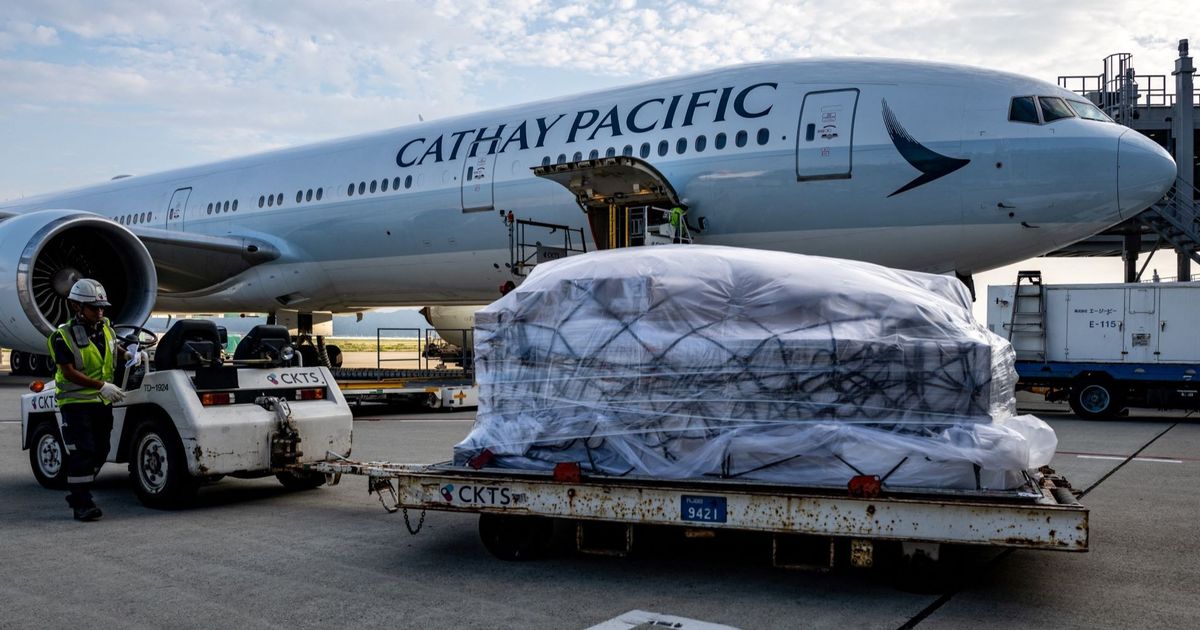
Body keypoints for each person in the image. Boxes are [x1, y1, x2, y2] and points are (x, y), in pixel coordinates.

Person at [47, 278, 126, 522]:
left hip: (101, 402)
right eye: (94, 307)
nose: (99, 312)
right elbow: (69, 371)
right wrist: (101, 386)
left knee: (102, 449)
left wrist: (130, 353)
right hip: (76, 402)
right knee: (85, 451)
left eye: (102, 307)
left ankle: (78, 488)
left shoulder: (106, 329)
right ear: (77, 307)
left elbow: (115, 350)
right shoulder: (62, 336)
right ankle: (82, 502)